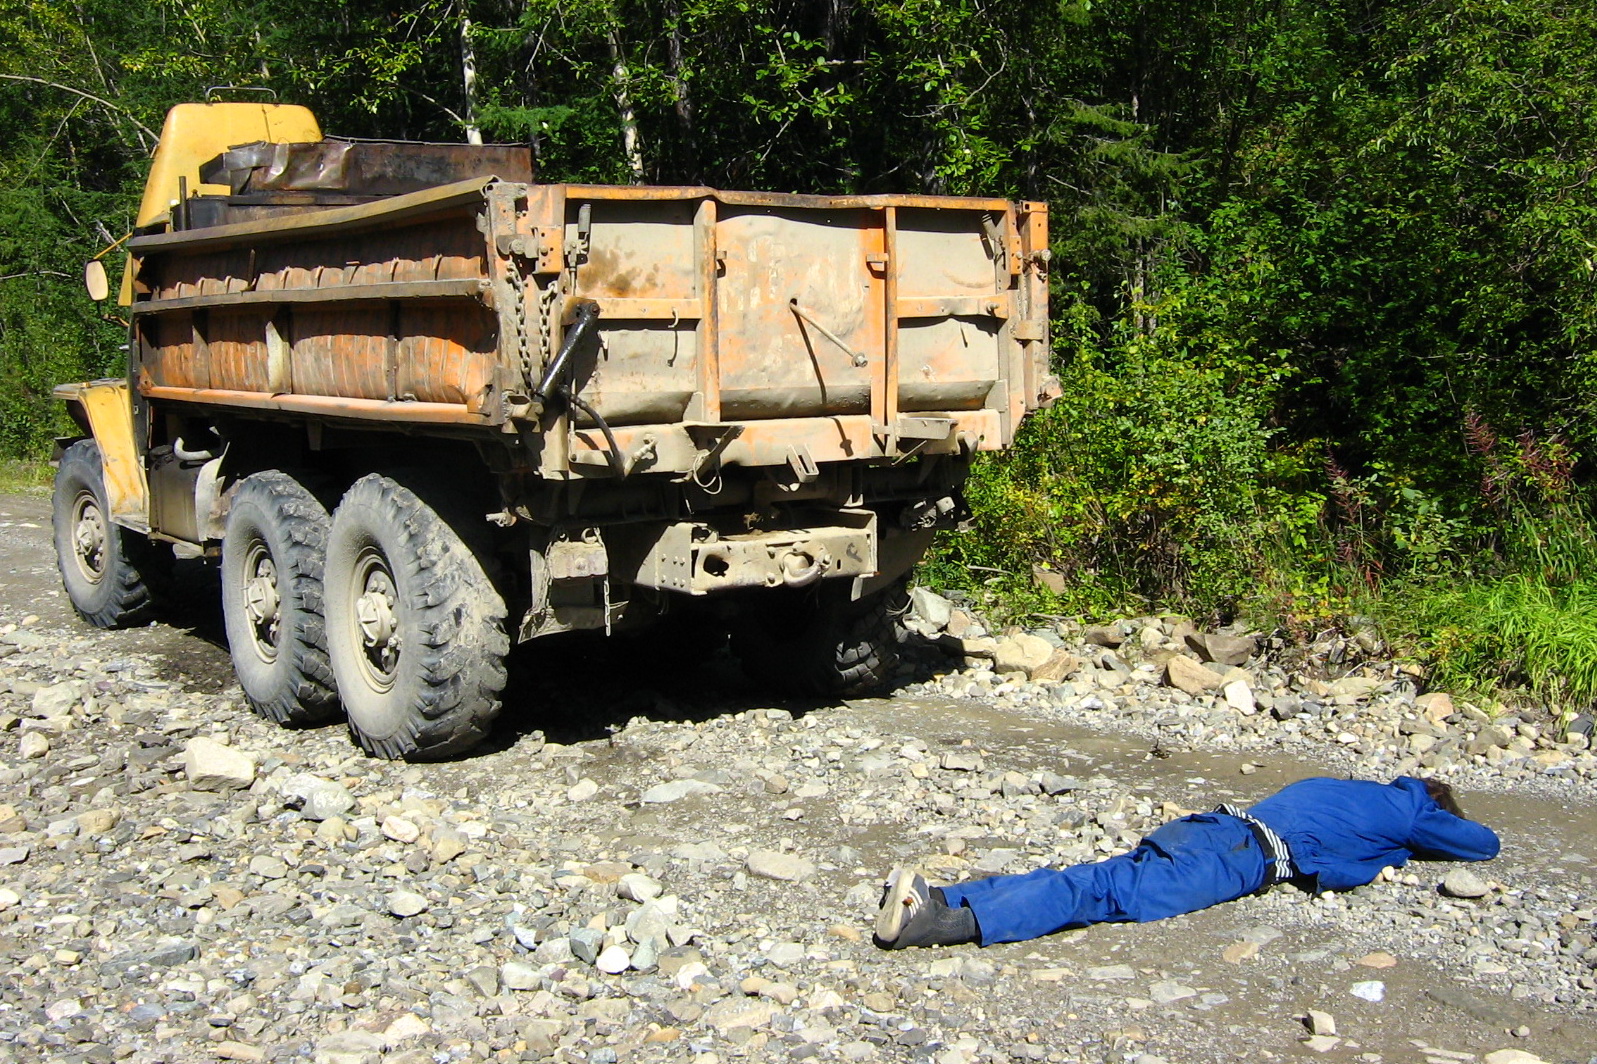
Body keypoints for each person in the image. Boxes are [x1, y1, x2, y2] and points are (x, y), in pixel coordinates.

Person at [873, 775, 1500, 949]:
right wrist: (1422, 828)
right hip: (1237, 857)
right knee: (1098, 895)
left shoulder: (1339, 788)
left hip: (1212, 828)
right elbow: (1483, 844)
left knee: (1091, 878)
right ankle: (939, 923)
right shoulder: (1410, 809)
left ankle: (945, 895)